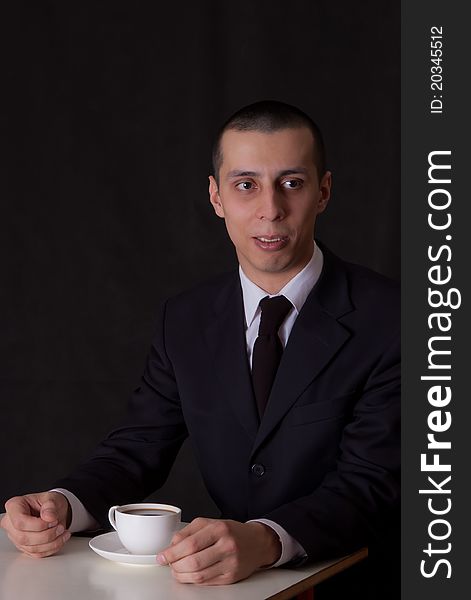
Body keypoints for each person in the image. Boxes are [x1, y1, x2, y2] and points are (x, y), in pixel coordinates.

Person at [1, 101, 400, 597]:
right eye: (246, 185)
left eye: (292, 183)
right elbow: (138, 448)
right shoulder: (184, 319)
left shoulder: (396, 319)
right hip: (231, 588)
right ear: (216, 197)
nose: (270, 209)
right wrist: (61, 504)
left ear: (324, 192)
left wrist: (265, 540)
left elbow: (372, 485)